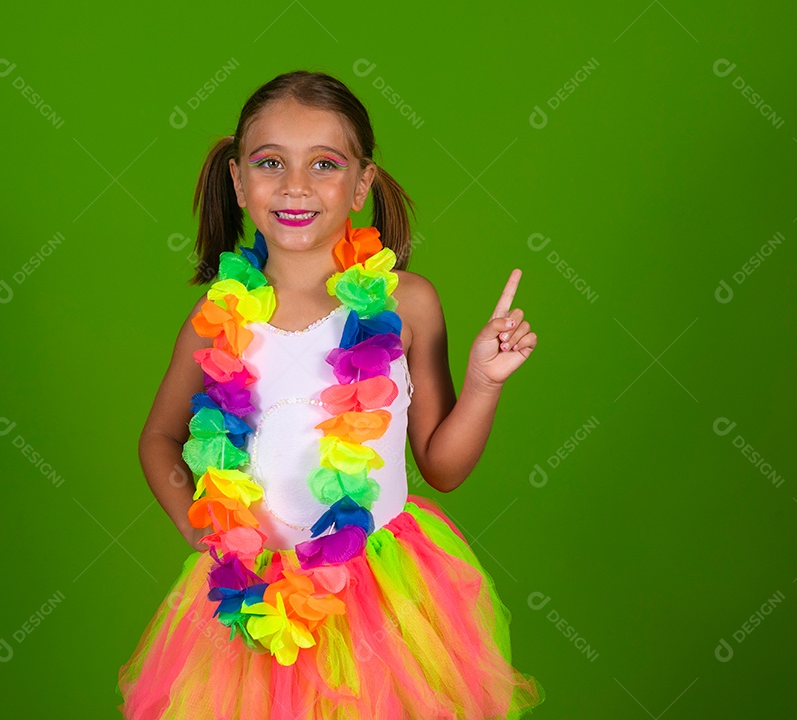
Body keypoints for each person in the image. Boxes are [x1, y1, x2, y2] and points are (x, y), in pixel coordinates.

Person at [118, 69, 545, 719]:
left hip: (384, 601)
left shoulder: (408, 304)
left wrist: (484, 382)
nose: (295, 186)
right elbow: (159, 438)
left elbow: (443, 466)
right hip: (257, 599)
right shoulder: (218, 321)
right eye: (270, 163)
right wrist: (207, 534)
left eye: (324, 163)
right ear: (237, 180)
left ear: (361, 183)